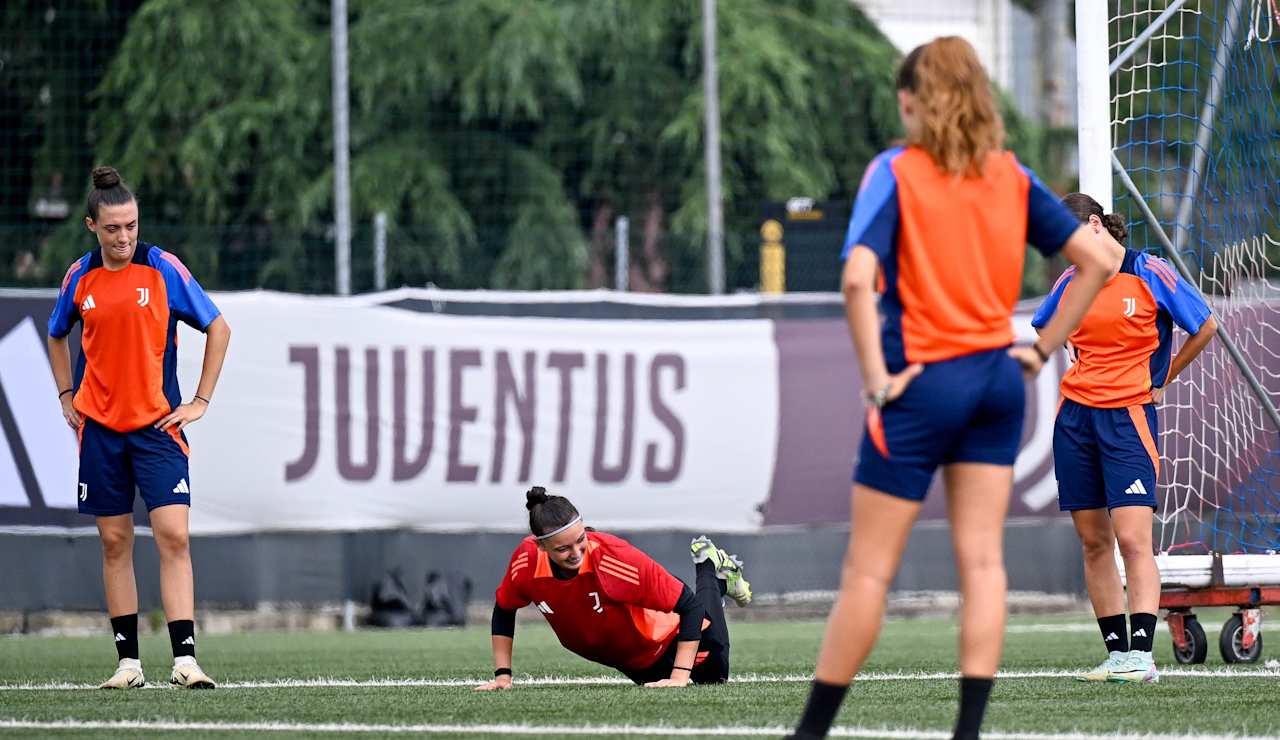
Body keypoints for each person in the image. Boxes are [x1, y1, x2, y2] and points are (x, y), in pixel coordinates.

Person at [786, 38, 1117, 740]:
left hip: (922, 383)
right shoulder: (1010, 174)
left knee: (870, 571)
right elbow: (1098, 259)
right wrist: (1041, 350)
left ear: (913, 101)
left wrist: (877, 382)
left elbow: (855, 280)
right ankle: (967, 732)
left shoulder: (896, 170)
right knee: (984, 562)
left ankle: (810, 734)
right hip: (998, 381)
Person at [47, 166, 231, 689]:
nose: (124, 236)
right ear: (92, 226)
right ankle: (128, 663)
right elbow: (56, 334)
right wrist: (66, 395)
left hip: (157, 428)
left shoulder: (164, 269)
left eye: (130, 225)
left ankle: (185, 660)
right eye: (112, 228)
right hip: (101, 431)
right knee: (114, 542)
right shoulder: (79, 277)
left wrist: (199, 400)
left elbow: (218, 327)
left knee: (174, 535)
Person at [1032, 193, 1217, 684]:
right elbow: (1045, 330)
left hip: (1128, 419)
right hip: (1074, 420)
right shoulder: (1071, 282)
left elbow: (1205, 325)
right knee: (1093, 543)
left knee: (1134, 540)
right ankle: (1117, 655)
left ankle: (1142, 656)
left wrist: (1164, 378)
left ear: (1096, 226)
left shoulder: (1149, 271)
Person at [474, 487, 750, 690]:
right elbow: (504, 608)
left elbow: (689, 606)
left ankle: (710, 570)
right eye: (563, 548)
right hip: (636, 660)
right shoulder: (526, 562)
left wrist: (679, 677)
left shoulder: (614, 560)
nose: (576, 553)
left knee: (713, 680)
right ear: (540, 546)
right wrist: (503, 675)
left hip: (672, 636)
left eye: (581, 540)